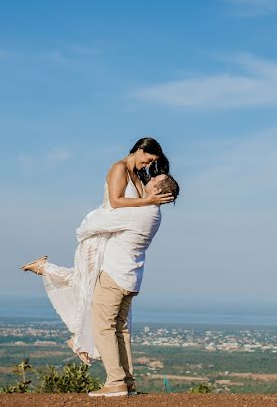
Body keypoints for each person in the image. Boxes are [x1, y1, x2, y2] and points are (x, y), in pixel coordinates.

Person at [20, 137, 178, 397]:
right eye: (150, 160)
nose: (150, 168)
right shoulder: (124, 173)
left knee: (101, 321)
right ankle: (126, 381)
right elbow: (116, 201)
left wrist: (87, 227)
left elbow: (112, 208)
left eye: (153, 165)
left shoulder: (144, 204)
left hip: (114, 263)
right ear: (140, 150)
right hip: (128, 269)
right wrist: (147, 201)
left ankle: (115, 382)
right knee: (118, 324)